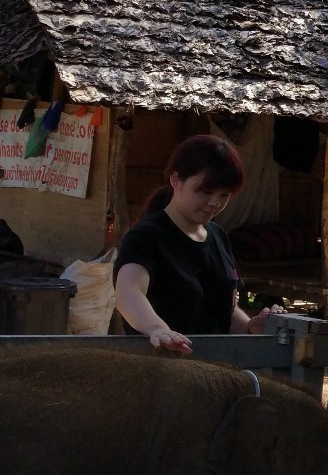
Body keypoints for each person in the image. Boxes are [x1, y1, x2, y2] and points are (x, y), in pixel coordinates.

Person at [114, 133, 283, 352]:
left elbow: (226, 311)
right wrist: (158, 330)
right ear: (176, 180)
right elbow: (128, 293)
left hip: (218, 371)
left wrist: (251, 327)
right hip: (162, 370)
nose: (215, 202)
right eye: (206, 191)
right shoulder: (146, 237)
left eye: (224, 195)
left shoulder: (218, 236)